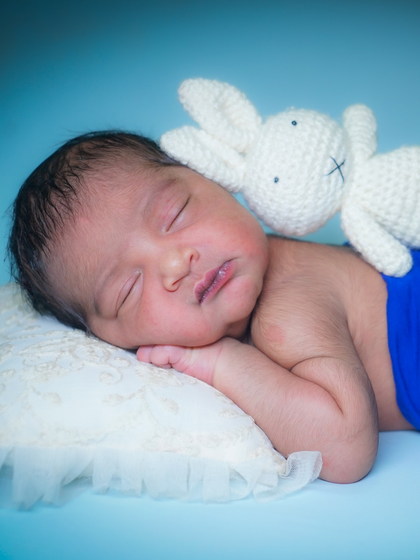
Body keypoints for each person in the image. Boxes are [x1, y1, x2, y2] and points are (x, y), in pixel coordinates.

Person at [8, 131, 416, 485]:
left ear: (213, 177)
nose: (174, 263)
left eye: (175, 214)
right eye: (128, 289)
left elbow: (346, 449)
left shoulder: (288, 307)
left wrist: (221, 364)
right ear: (111, 341)